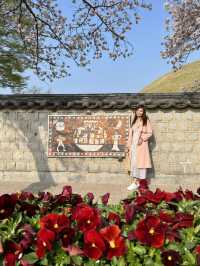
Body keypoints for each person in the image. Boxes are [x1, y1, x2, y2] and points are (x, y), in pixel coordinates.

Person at [126, 105, 153, 190]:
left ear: (143, 112)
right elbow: (130, 135)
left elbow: (150, 132)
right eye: (138, 110)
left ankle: (141, 183)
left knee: (141, 165)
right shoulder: (134, 122)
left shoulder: (146, 121)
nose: (139, 112)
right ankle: (135, 182)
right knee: (134, 164)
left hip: (141, 146)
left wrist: (142, 138)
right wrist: (128, 146)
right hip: (133, 145)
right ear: (135, 111)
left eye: (141, 111)